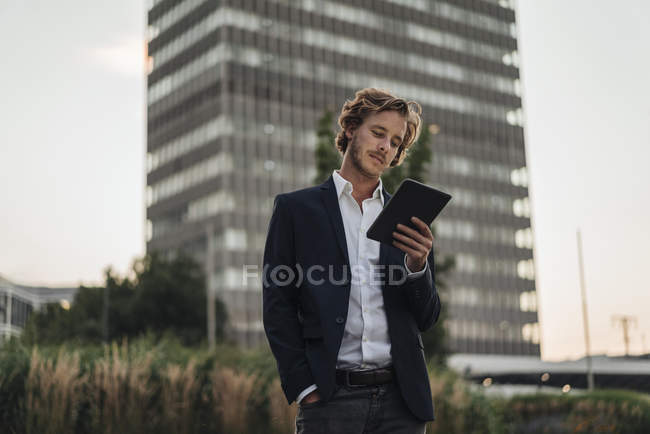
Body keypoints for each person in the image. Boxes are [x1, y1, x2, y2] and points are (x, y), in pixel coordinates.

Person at [262, 88, 441, 434]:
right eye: (378, 133)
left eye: (395, 141)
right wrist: (305, 389)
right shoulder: (295, 210)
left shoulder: (406, 217)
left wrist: (418, 268)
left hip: (402, 406)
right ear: (350, 129)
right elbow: (277, 306)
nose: (385, 146)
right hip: (330, 402)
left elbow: (428, 317)